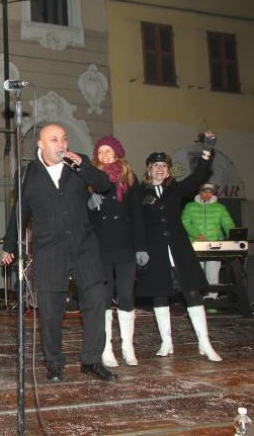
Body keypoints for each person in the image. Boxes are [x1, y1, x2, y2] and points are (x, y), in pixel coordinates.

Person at [2, 124, 116, 383]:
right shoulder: (27, 174)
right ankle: (54, 363)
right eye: (54, 139)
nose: (61, 144)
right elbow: (19, 213)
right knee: (51, 312)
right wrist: (9, 246)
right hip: (50, 249)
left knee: (97, 299)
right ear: (41, 144)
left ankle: (92, 360)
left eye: (64, 138)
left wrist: (84, 168)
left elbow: (104, 185)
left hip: (84, 246)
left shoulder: (78, 164)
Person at [134, 132, 222, 362]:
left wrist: (207, 151)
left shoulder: (176, 190)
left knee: (192, 292)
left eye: (164, 165)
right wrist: (140, 248)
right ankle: (166, 342)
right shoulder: (140, 193)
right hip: (156, 251)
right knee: (159, 296)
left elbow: (199, 175)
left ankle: (205, 342)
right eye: (156, 166)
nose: (160, 169)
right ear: (149, 169)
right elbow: (137, 223)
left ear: (169, 169)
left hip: (179, 249)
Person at [88, 136, 147, 367]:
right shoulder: (92, 181)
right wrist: (89, 205)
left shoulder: (130, 181)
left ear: (117, 153)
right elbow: (87, 220)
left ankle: (127, 346)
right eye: (100, 152)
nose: (104, 155)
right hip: (101, 248)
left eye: (108, 151)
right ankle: (106, 348)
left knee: (125, 295)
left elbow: (138, 218)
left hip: (125, 246)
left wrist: (141, 247)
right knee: (103, 298)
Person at [182, 182, 236, 299]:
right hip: (195, 243)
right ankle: (196, 300)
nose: (207, 194)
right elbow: (184, 222)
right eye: (204, 191)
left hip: (215, 244)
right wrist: (196, 234)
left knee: (213, 274)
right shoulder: (190, 206)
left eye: (210, 192)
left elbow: (227, 223)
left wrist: (233, 236)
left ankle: (212, 299)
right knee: (196, 273)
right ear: (199, 192)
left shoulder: (220, 208)